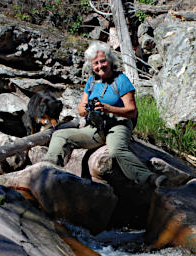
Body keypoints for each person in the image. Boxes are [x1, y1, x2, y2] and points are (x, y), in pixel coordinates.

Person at [43, 41, 166, 187]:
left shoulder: (121, 80)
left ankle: (149, 178)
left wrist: (108, 109)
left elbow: (132, 111)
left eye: (103, 61)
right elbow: (81, 109)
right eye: (95, 63)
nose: (99, 66)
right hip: (95, 127)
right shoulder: (91, 81)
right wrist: (86, 109)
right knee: (59, 135)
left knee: (116, 150)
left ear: (110, 60)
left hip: (118, 124)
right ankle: (48, 170)